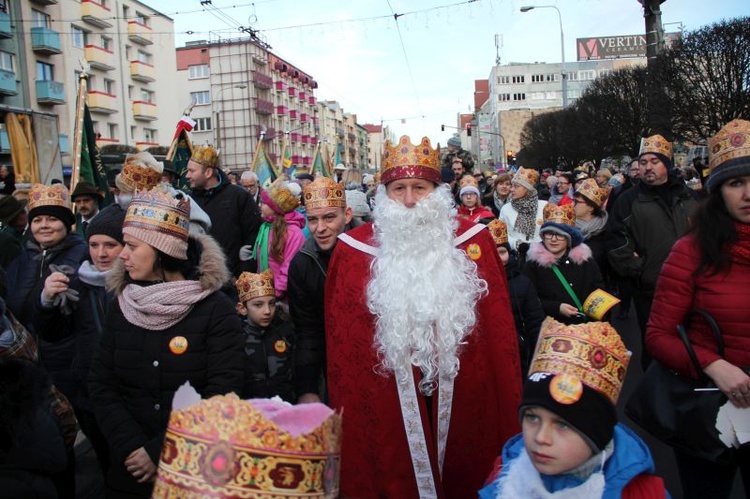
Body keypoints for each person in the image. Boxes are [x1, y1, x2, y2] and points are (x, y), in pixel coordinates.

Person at [325, 135, 522, 497]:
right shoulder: (352, 253)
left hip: (464, 392)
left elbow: (499, 339)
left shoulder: (474, 243)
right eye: (399, 188)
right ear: (385, 194)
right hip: (387, 400)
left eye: (420, 187)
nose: (411, 200)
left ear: (438, 191)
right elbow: (345, 353)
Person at [88, 185, 245, 497]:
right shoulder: (122, 304)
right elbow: (101, 384)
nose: (122, 254)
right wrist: (132, 447)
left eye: (132, 246)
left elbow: (223, 393)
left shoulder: (216, 311)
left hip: (195, 468)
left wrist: (160, 449)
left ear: (161, 250)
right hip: (129, 471)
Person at [646, 119, 750, 499]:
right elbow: (658, 336)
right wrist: (713, 364)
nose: (747, 194)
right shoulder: (690, 251)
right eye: (736, 183)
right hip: (708, 409)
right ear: (717, 191)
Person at [479, 318, 667, 498]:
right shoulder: (503, 472)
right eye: (532, 417)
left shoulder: (643, 493)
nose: (541, 438)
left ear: (596, 432)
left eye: (562, 424)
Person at [35, 205, 126, 474]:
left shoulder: (139, 283)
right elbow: (53, 333)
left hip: (132, 392)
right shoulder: (78, 284)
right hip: (90, 391)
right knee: (107, 463)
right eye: (94, 244)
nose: (101, 253)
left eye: (111, 245)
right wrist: (47, 302)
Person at [607, 134, 699, 367]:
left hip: (695, 286)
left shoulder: (689, 197)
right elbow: (617, 241)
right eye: (643, 162)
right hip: (652, 289)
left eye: (654, 162)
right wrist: (639, 270)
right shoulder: (628, 200)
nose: (647, 167)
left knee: (696, 345)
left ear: (667, 164)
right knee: (656, 349)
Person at [288, 177, 355, 404]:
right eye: (313, 220)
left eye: (329, 218)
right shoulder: (301, 264)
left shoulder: (371, 252)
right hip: (332, 362)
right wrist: (307, 389)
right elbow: (307, 330)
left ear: (347, 215)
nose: (320, 228)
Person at [187, 145, 261, 278]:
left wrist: (244, 271)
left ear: (208, 173)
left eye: (192, 171)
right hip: (197, 278)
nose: (187, 176)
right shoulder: (188, 200)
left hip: (233, 278)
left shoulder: (238, 196)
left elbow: (252, 235)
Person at [525, 203, 604, 325]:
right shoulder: (533, 264)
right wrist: (557, 308)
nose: (553, 239)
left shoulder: (585, 261)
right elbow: (529, 300)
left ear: (569, 238)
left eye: (560, 234)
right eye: (549, 233)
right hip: (550, 329)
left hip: (584, 329)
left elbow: (599, 292)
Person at [487, 219, 544, 375]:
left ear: (509, 253)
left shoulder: (523, 282)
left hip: (517, 348)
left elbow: (534, 320)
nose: (498, 257)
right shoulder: (476, 283)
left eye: (502, 252)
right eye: (493, 253)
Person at [236, 269, 295, 402]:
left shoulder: (284, 335)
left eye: (272, 303)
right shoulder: (236, 339)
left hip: (284, 408)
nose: (267, 311)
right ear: (242, 309)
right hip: (250, 411)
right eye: (258, 305)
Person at [246, 180, 306, 300]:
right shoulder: (266, 227)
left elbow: (289, 268)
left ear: (276, 207)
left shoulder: (293, 233)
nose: (259, 205)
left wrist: (274, 293)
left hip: (282, 298)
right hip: (265, 294)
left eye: (263, 203)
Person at [499, 167, 548, 254]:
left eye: (516, 186)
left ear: (527, 189)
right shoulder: (506, 209)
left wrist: (540, 246)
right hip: (516, 255)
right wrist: (517, 244)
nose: (511, 189)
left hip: (542, 255)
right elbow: (502, 233)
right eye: (512, 186)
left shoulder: (545, 206)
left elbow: (552, 231)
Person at [574, 178, 610, 278]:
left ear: (591, 207)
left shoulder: (606, 230)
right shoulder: (566, 227)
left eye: (577, 202)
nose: (573, 204)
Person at [0, 195, 27, 268]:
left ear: (23, 213)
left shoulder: (38, 230)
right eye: (9, 221)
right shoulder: (7, 236)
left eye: (14, 219)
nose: (11, 224)